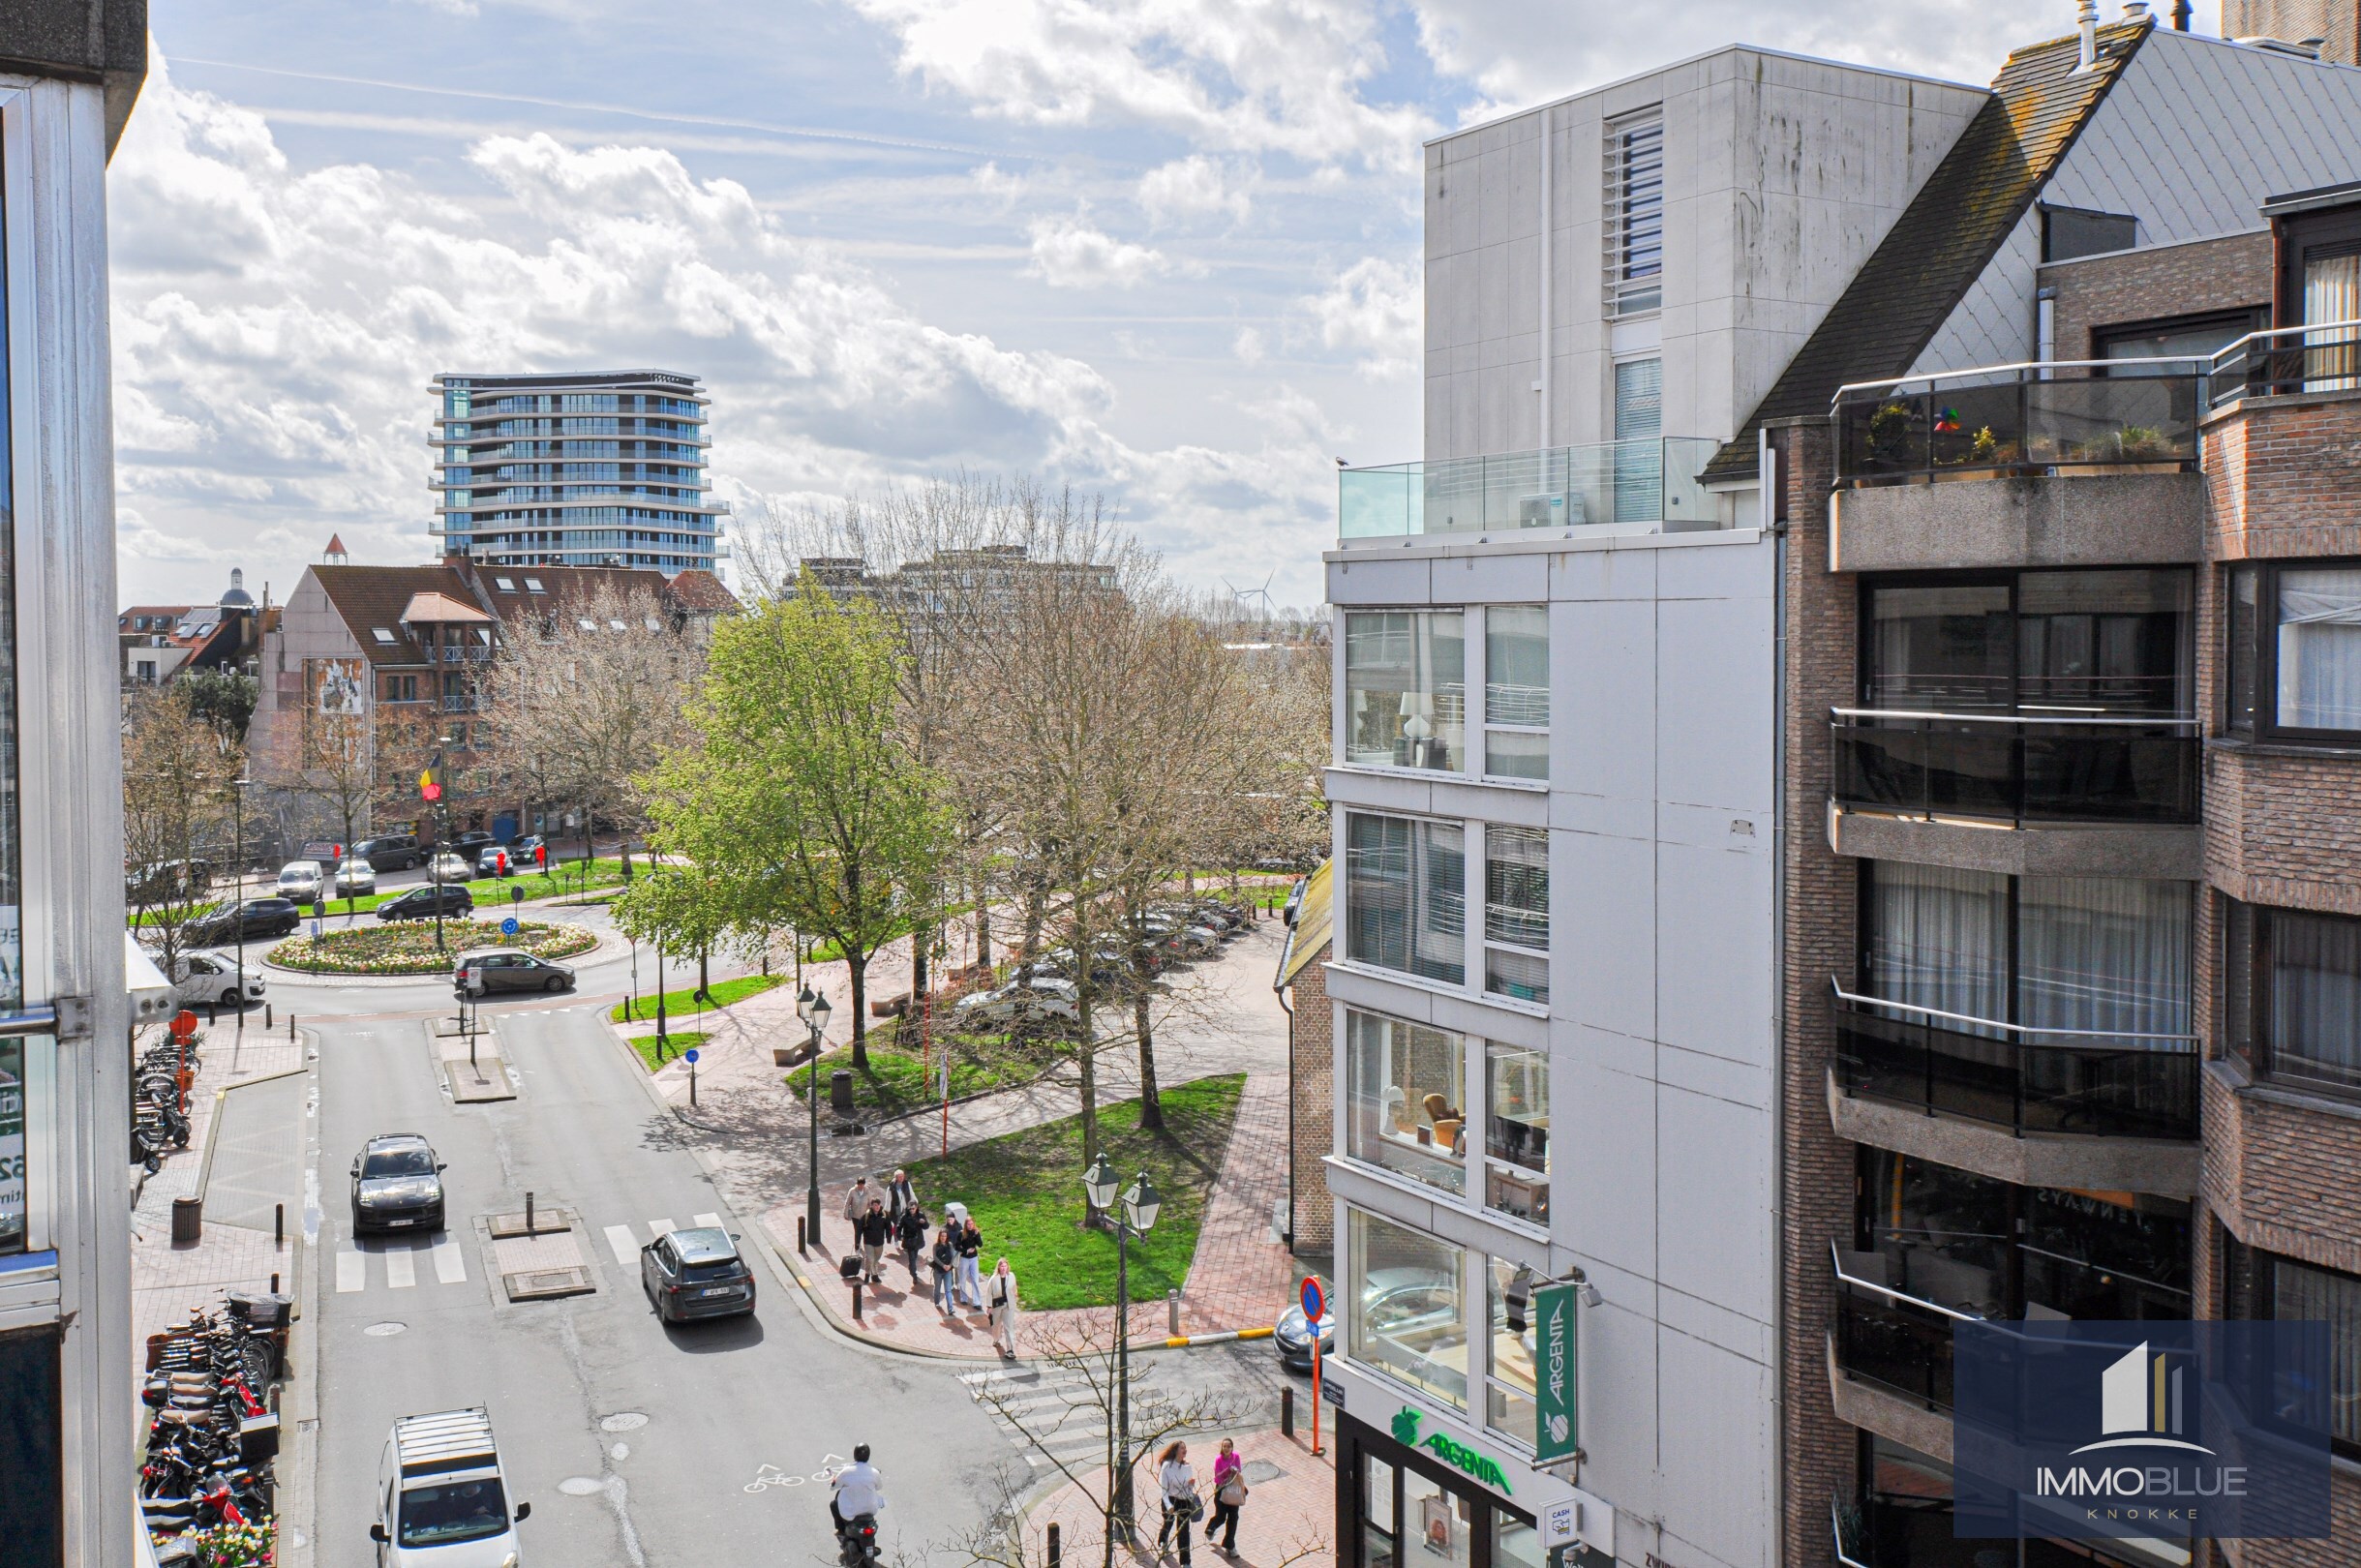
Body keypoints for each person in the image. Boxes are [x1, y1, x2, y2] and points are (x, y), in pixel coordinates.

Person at [829, 1443, 886, 1540]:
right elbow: (879, 1487)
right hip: (870, 1510)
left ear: (855, 1455)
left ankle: (841, 1530)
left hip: (851, 1512)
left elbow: (835, 1486)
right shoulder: (874, 1472)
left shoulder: (846, 1471)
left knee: (833, 1504)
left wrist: (834, 1481)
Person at [1155, 1440, 1197, 1566]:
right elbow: (1163, 1489)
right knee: (1168, 1522)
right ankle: (1163, 1540)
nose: (1185, 1450)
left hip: (1183, 1499)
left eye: (1185, 1447)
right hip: (1170, 1498)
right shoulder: (1167, 1466)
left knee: (1183, 1530)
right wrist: (1168, 1505)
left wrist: (1191, 1486)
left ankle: (1185, 1562)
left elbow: (1189, 1488)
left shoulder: (1187, 1466)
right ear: (1175, 1451)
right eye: (1181, 1448)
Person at [1207, 1437, 1246, 1556]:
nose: (1226, 1448)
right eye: (1224, 1446)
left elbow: (1239, 1471)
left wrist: (1234, 1472)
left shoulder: (1236, 1457)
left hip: (1234, 1490)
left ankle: (1230, 1545)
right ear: (1222, 1448)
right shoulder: (1218, 1459)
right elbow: (1217, 1476)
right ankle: (1211, 1527)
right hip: (1222, 1489)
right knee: (1221, 1516)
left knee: (1233, 1517)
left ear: (1232, 1448)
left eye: (1229, 1446)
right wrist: (1225, 1478)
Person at [986, 1256, 1019, 1357]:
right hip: (997, 1305)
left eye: (1005, 1266)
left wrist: (1015, 1294)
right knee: (996, 1325)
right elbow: (989, 1293)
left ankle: (1010, 1350)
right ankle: (996, 1339)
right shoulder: (993, 1279)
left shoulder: (1011, 1276)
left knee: (1009, 1327)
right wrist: (989, 1306)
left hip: (1009, 1305)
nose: (1004, 1268)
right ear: (998, 1267)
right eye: (1002, 1266)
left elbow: (1014, 1287)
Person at [856, 1198, 892, 1284]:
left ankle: (874, 1275)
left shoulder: (884, 1215)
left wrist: (889, 1237)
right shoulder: (866, 1216)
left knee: (876, 1259)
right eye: (875, 1205)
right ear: (872, 1206)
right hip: (868, 1241)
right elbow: (859, 1230)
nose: (877, 1207)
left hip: (879, 1242)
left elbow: (888, 1226)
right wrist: (857, 1242)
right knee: (869, 1259)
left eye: (878, 1205)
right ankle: (867, 1274)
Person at [954, 1217, 984, 1311]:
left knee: (975, 1279)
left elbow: (980, 1245)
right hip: (964, 1258)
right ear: (965, 1225)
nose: (970, 1226)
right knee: (962, 1278)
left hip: (974, 1258)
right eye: (968, 1224)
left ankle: (977, 1302)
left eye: (972, 1224)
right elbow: (957, 1246)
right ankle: (963, 1298)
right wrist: (966, 1250)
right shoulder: (961, 1233)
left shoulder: (975, 1233)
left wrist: (977, 1235)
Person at [896, 1204, 928, 1288]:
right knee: (912, 1258)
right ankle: (914, 1275)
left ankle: (911, 1268)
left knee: (914, 1257)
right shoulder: (905, 1217)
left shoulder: (921, 1215)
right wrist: (899, 1236)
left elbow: (926, 1227)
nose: (911, 1210)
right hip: (909, 1240)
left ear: (916, 1208)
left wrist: (924, 1222)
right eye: (910, 1209)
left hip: (917, 1241)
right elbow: (899, 1227)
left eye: (913, 1209)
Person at [928, 1226, 958, 1316]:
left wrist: (949, 1266)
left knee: (948, 1290)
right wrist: (943, 1265)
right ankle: (937, 1302)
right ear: (939, 1236)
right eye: (942, 1236)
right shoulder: (935, 1245)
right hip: (938, 1271)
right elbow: (935, 1258)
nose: (943, 1238)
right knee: (937, 1288)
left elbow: (953, 1256)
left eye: (945, 1236)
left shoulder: (949, 1245)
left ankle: (950, 1308)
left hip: (947, 1271)